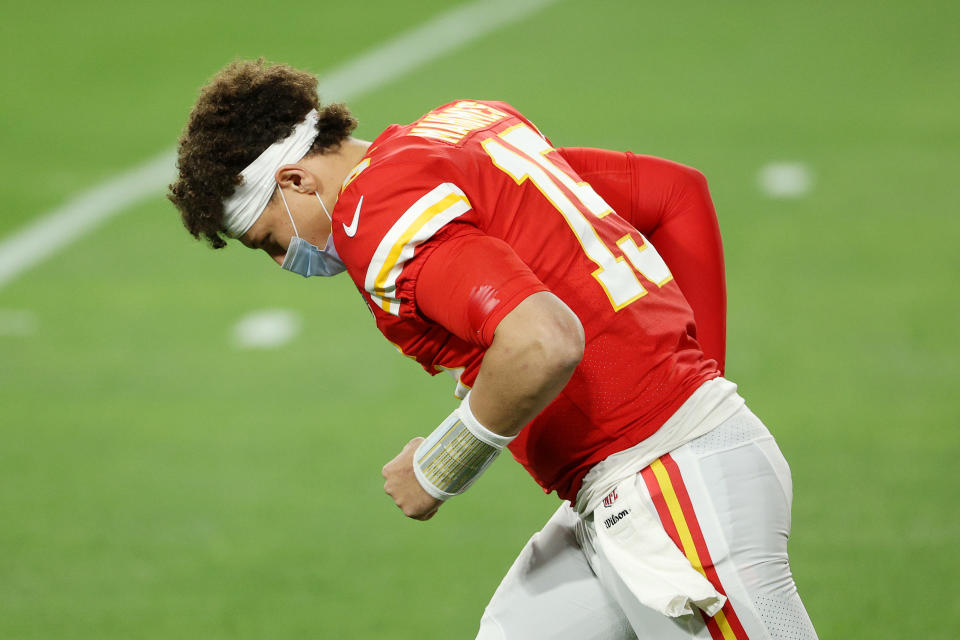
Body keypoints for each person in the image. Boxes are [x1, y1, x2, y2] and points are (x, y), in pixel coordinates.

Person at [168, 59, 818, 640]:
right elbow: (673, 194)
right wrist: (696, 388)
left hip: (663, 481)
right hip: (628, 484)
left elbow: (542, 342)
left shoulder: (380, 217)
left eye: (269, 240)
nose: (285, 261)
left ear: (295, 179)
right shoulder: (459, 129)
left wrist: (440, 467)